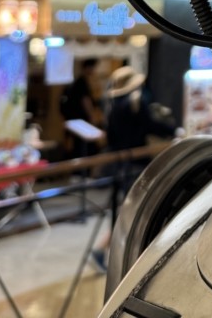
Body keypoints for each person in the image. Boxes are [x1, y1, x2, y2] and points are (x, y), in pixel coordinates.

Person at [91, 66, 178, 272]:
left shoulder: (111, 105)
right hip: (136, 163)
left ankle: (110, 249)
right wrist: (173, 131)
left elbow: (111, 137)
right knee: (137, 208)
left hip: (119, 163)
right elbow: (150, 125)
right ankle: (108, 250)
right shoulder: (136, 102)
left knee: (131, 208)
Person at [61, 57, 101, 158]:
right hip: (80, 121)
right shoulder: (82, 82)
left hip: (74, 120)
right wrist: (92, 117)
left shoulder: (76, 81)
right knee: (82, 147)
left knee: (77, 146)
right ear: (88, 67)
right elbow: (85, 101)